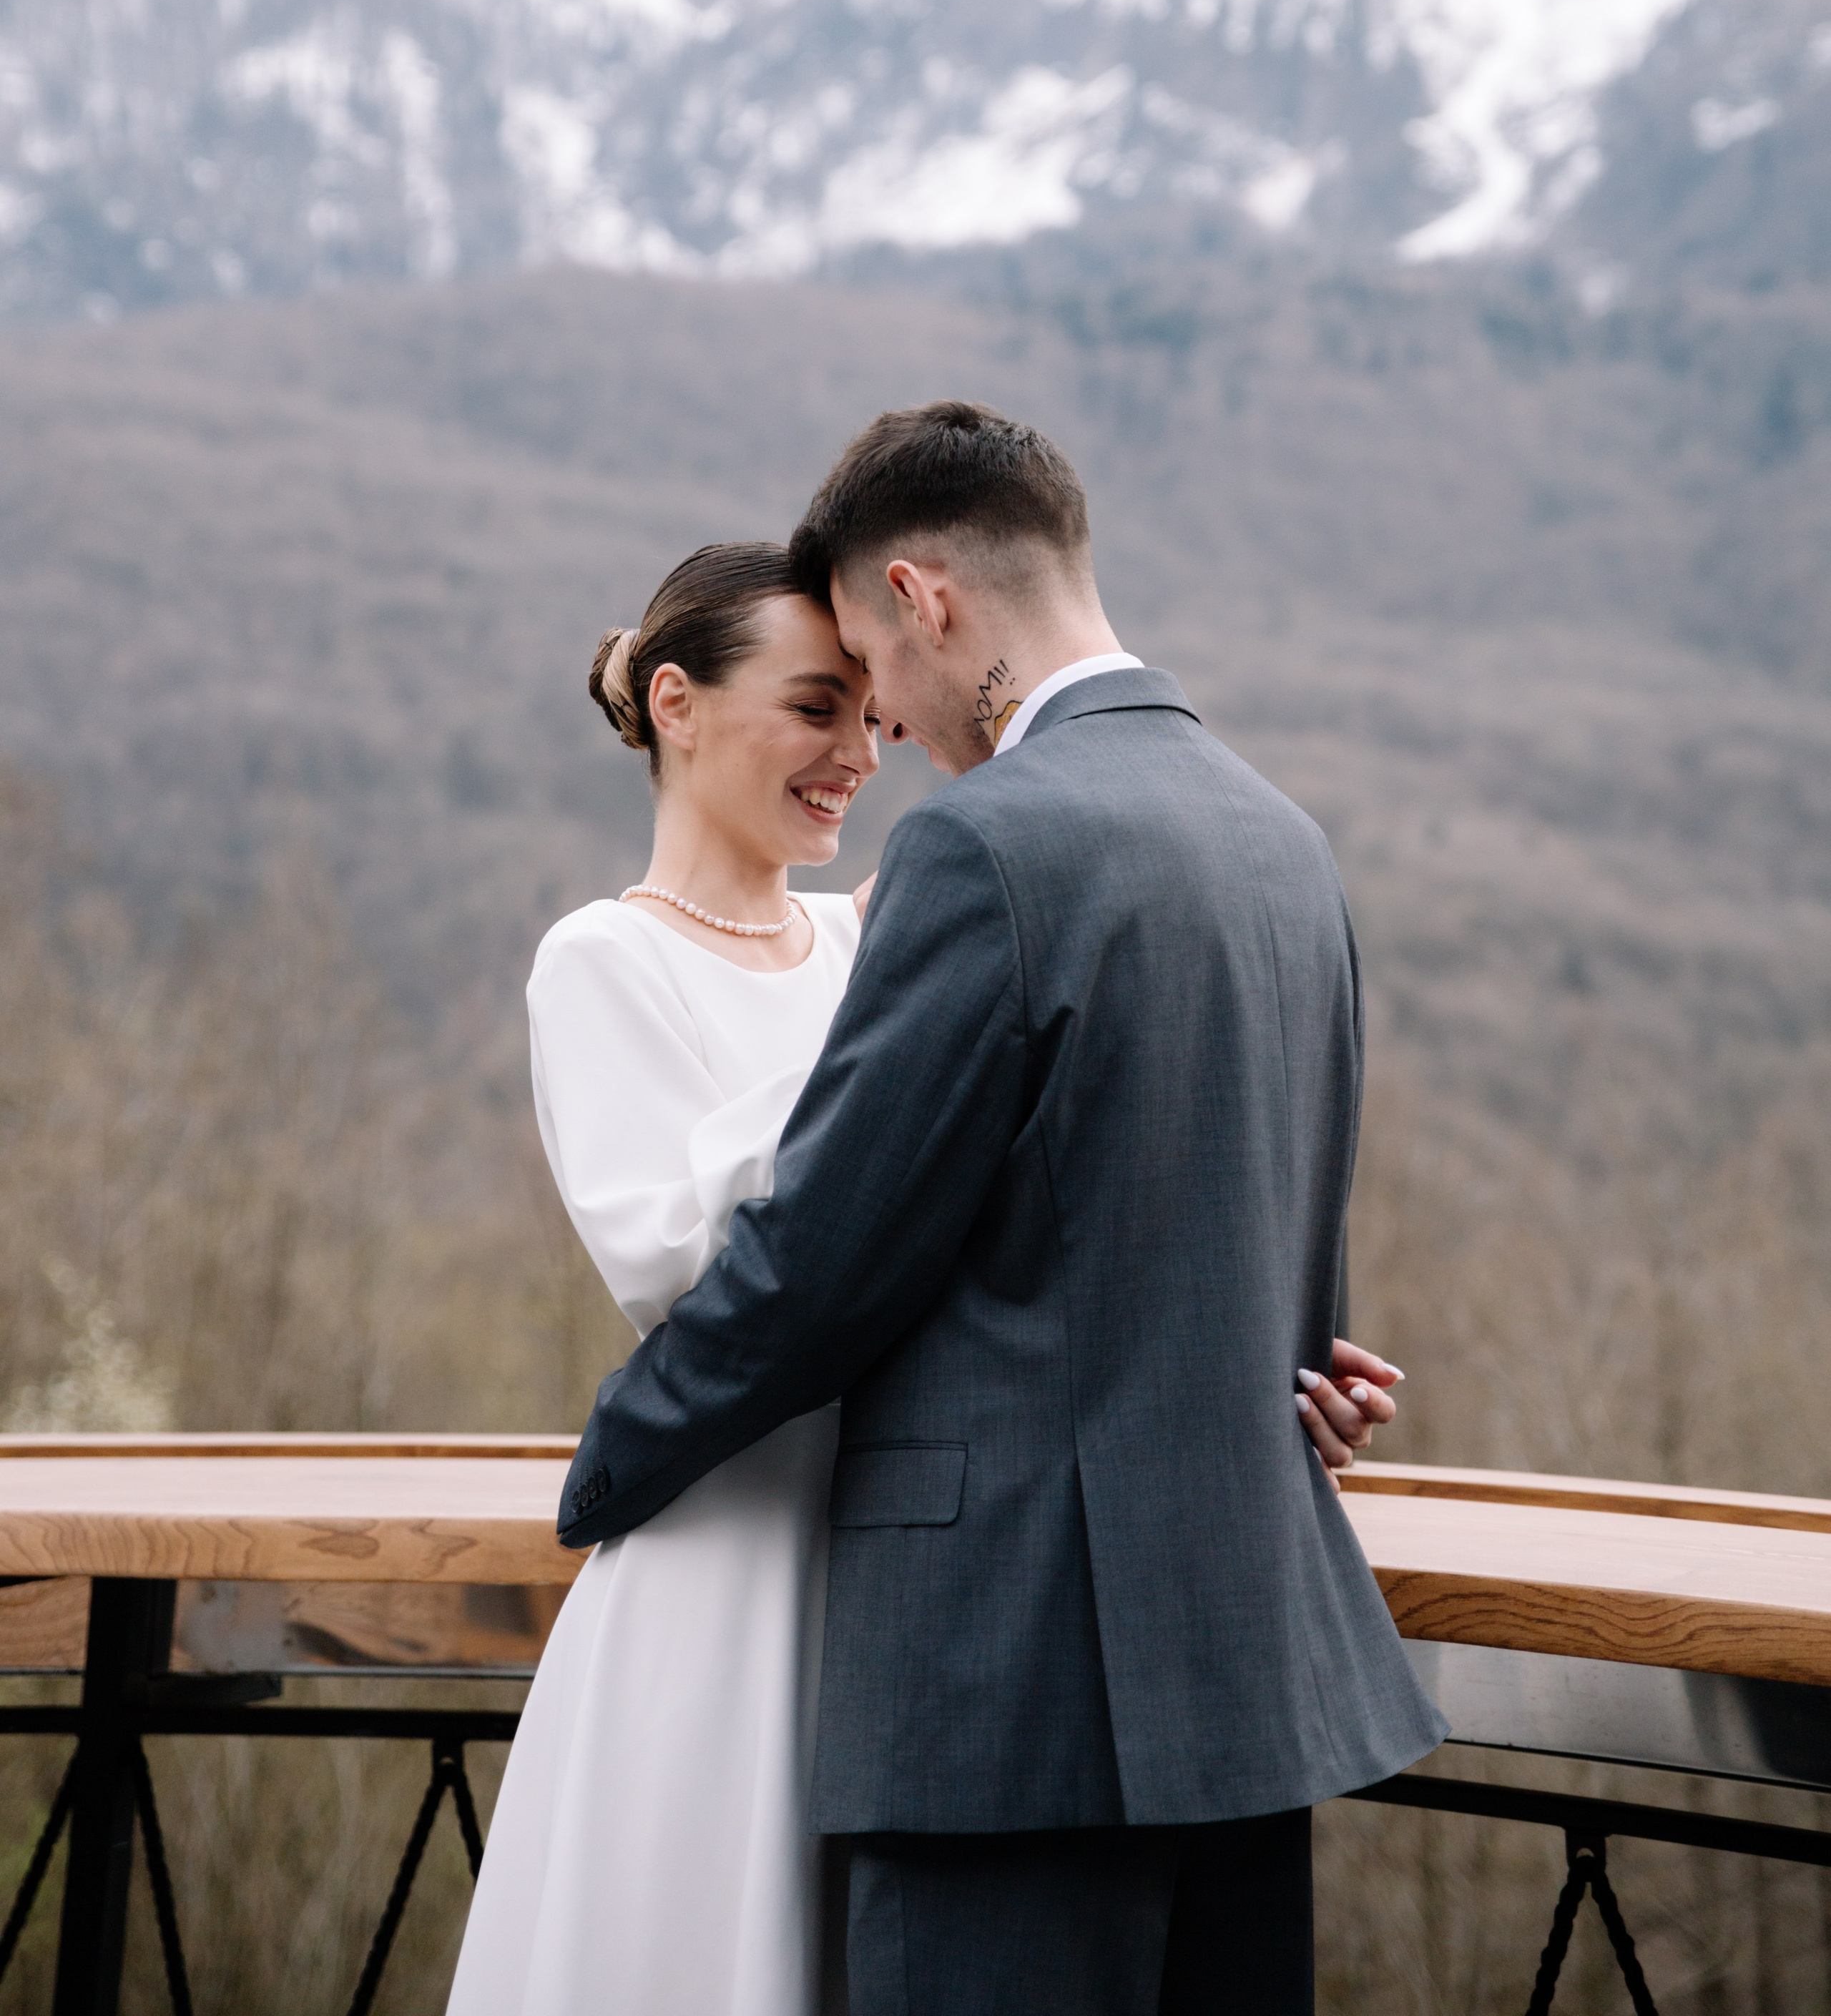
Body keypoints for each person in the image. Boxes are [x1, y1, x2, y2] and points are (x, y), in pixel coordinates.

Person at [448, 518, 1407, 2016]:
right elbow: (671, 1260)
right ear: (678, 707)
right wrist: (886, 1062)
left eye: (861, 701)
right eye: (814, 708)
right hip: (737, 1557)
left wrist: (1261, 1360)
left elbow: (1029, 1216)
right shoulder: (601, 959)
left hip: (938, 1576)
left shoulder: (871, 935)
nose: (863, 748)